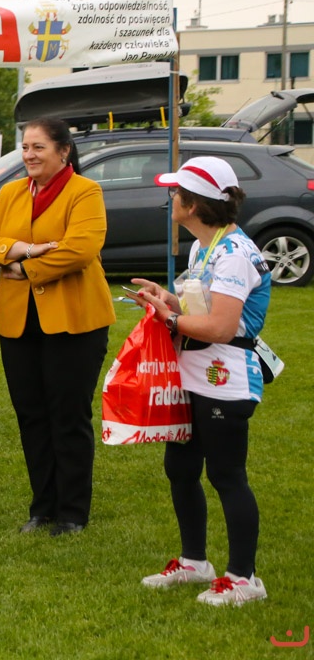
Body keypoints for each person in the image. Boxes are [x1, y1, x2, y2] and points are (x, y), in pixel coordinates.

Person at [131, 157, 271, 606]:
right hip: (194, 373)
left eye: (176, 193)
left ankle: (244, 578)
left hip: (225, 379)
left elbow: (221, 328)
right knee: (181, 469)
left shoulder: (234, 254)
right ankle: (195, 563)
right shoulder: (203, 247)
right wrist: (168, 300)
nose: (170, 199)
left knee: (227, 475)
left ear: (193, 204)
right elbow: (200, 308)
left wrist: (168, 318)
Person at [0, 117, 113, 537]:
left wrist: (23, 269)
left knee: (67, 416)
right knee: (31, 416)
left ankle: (72, 512)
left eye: (38, 147)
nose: (29, 155)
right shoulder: (11, 192)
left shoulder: (86, 191)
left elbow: (80, 250)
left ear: (63, 151)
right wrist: (23, 250)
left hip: (75, 322)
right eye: (26, 147)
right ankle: (42, 508)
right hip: (19, 324)